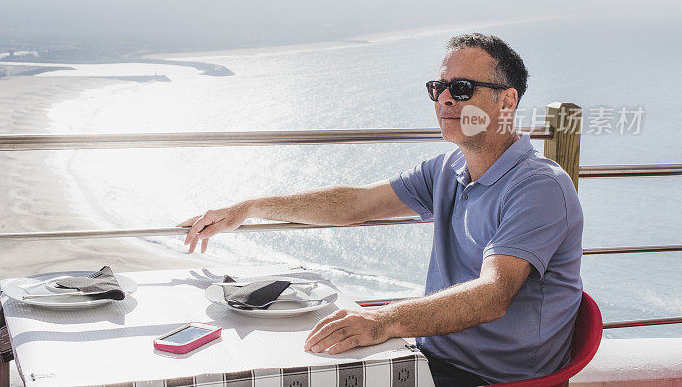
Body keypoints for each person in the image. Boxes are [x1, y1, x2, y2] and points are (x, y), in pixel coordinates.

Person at [178, 33, 583, 386]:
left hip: (493, 378)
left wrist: (382, 321)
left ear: (507, 101)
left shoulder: (539, 188)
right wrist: (250, 208)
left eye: (461, 88)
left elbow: (493, 295)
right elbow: (356, 204)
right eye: (436, 87)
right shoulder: (449, 169)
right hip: (431, 358)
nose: (443, 98)